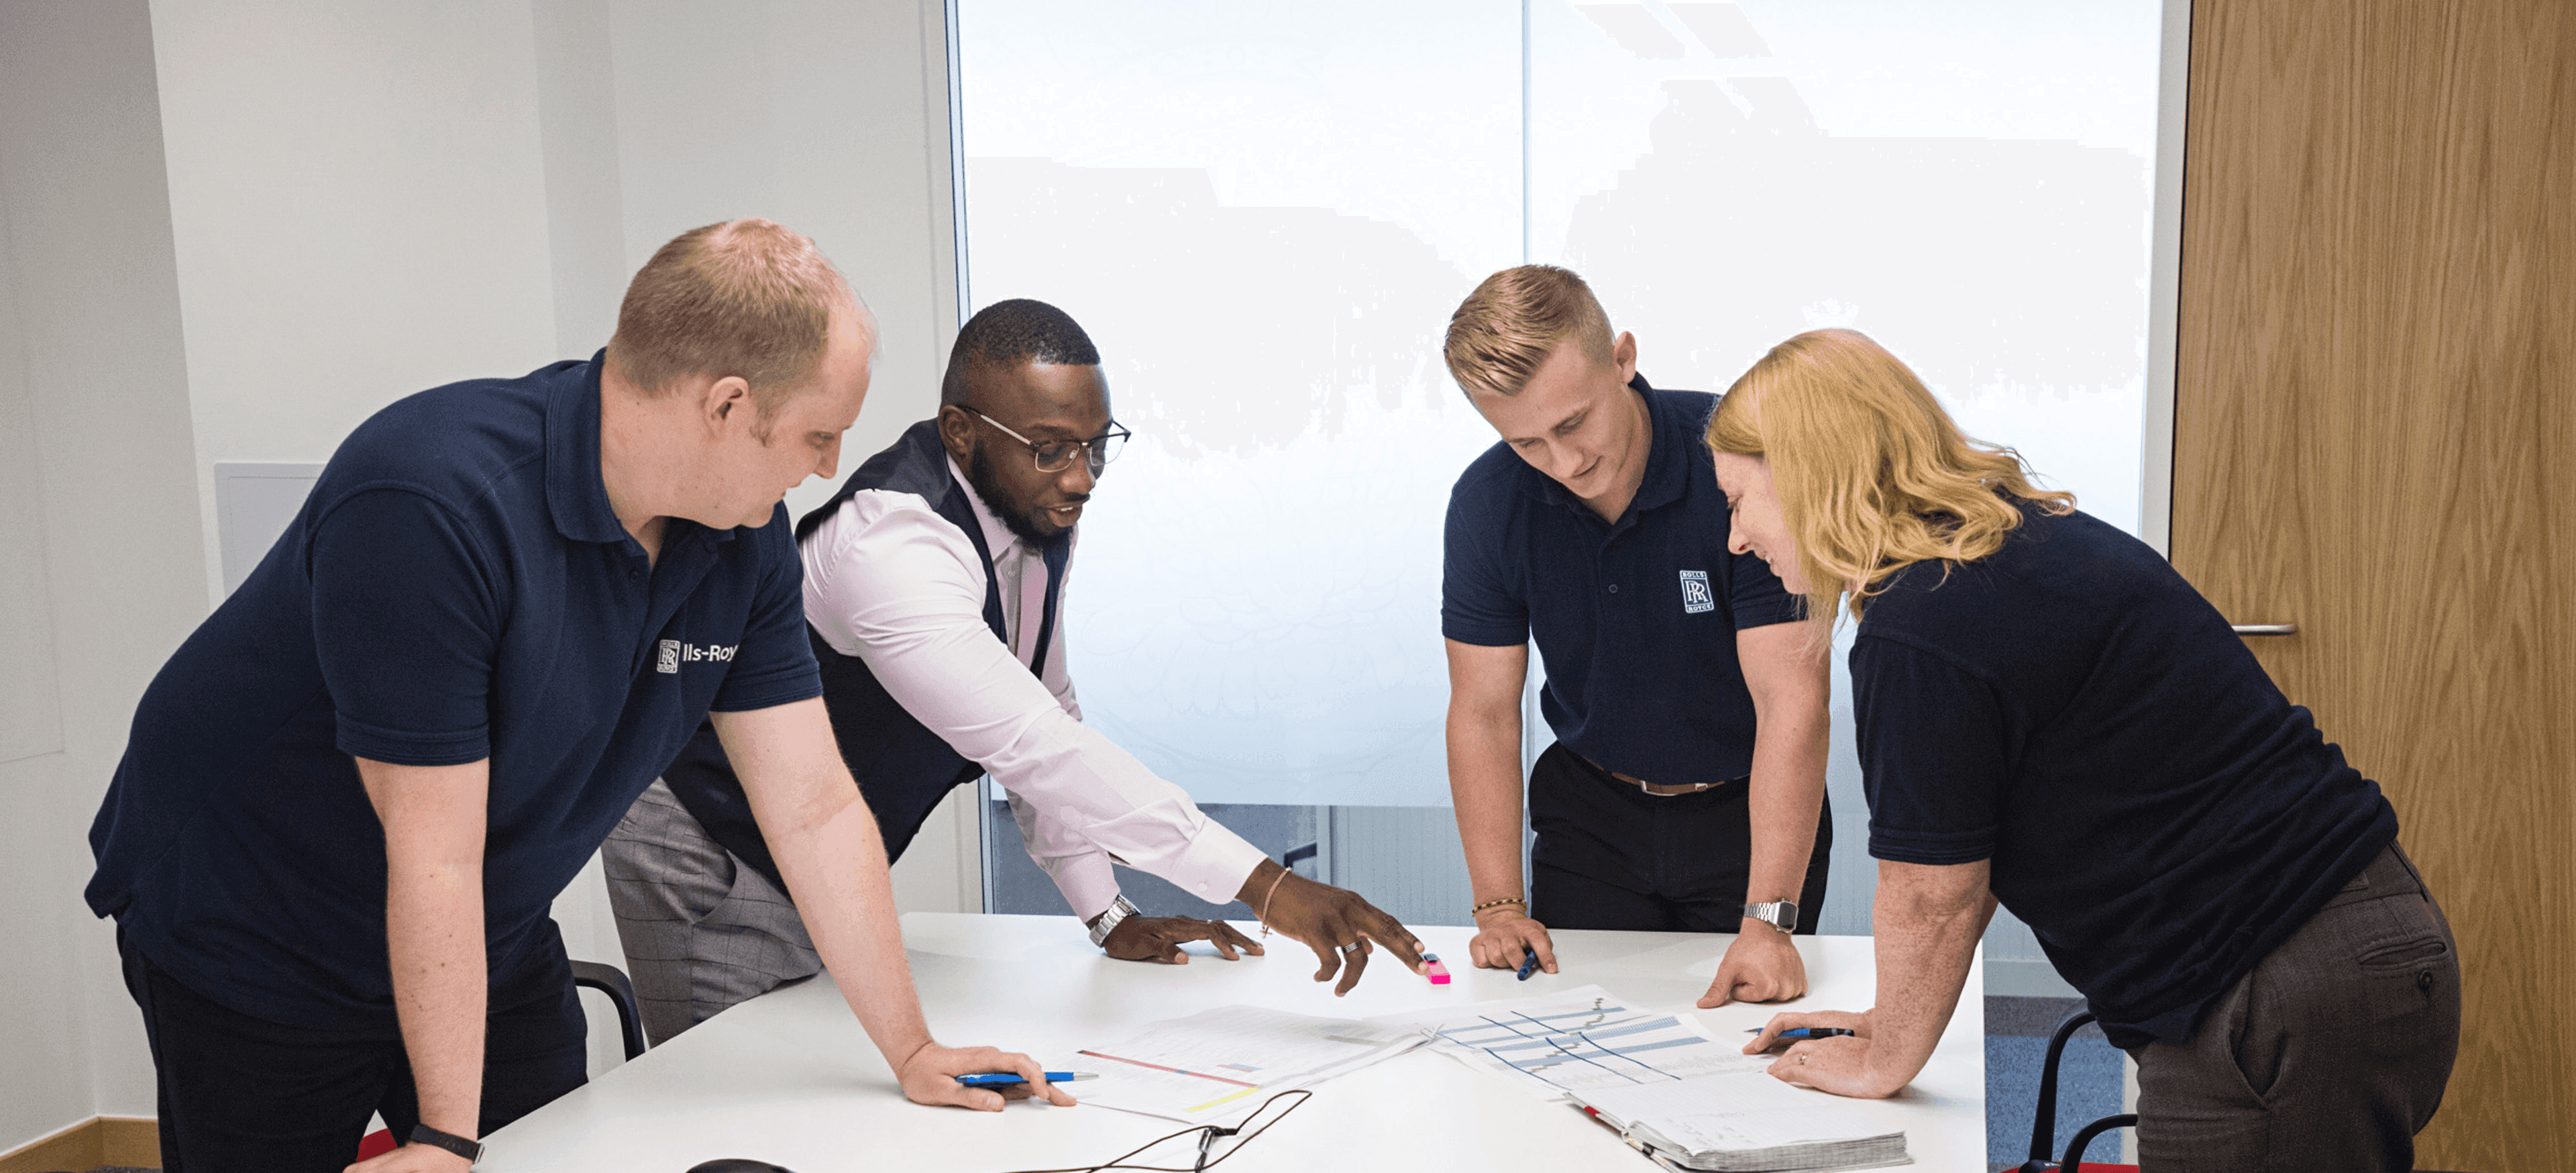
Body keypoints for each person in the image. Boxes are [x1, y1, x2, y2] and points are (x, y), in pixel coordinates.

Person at [85, 221, 1071, 1173]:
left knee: (559, 1145)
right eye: (818, 436)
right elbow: (432, 852)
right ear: (726, 407)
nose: (824, 469)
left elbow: (811, 806)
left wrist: (910, 1050)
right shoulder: (431, 501)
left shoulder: (742, 533)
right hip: (265, 930)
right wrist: (443, 1137)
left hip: (487, 917)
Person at [1718, 329, 2458, 1170]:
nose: (1736, 537)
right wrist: (1891, 1017)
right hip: (2358, 940)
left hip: (2278, 986)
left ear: (1809, 472)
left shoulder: (1922, 621)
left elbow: (1934, 893)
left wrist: (1886, 1058)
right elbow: (1972, 836)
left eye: (1739, 498)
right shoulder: (2021, 541)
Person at [611, 297, 1429, 1044]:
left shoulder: (1030, 510)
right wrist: (1267, 886)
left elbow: (1049, 701)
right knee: (743, 1095)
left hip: (814, 846)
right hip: (711, 845)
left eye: (1095, 446)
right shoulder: (891, 546)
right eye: (1049, 449)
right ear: (962, 433)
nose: (1080, 477)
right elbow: (1032, 746)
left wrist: (1104, 912)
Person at [1438, 265, 1832, 1007]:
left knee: (1744, 1052)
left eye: (1573, 422)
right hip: (1591, 815)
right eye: (1528, 443)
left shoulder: (1742, 463)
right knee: (1571, 1036)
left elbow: (1794, 701)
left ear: (1623, 357)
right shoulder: (1489, 505)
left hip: (1747, 810)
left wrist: (1769, 919)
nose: (1565, 463)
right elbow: (1484, 710)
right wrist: (1498, 905)